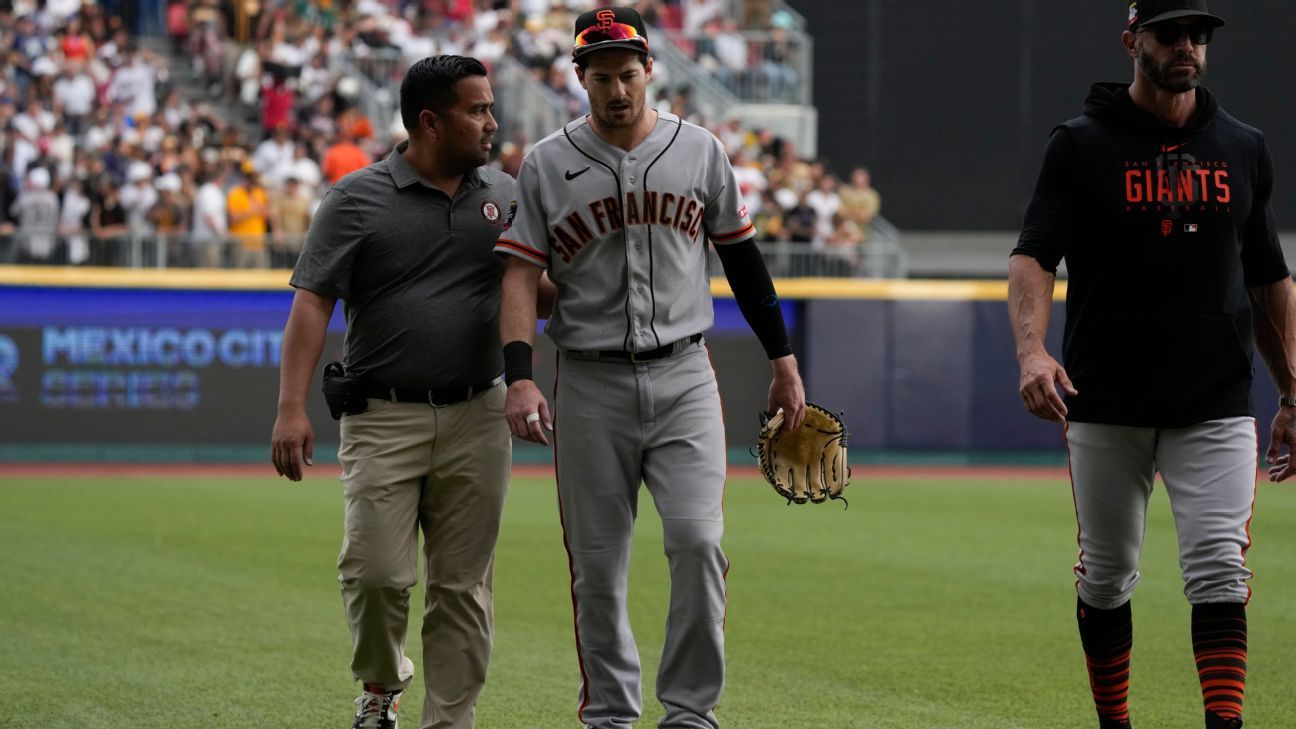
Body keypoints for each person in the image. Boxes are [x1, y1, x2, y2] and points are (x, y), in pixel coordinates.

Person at [495, 7, 806, 728]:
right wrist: (518, 374)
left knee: (698, 541)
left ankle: (691, 711)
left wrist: (783, 359)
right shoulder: (545, 162)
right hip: (589, 380)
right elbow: (517, 279)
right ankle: (609, 711)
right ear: (580, 77)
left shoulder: (698, 150)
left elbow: (743, 260)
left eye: (627, 73)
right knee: (597, 567)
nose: (616, 88)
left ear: (648, 72)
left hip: (683, 374)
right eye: (601, 75)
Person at [1007, 3, 1296, 729]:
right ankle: (1116, 722)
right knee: (1105, 579)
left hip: (1216, 398)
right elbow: (1034, 254)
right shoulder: (1080, 144)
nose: (1187, 47)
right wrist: (1032, 350)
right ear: (1132, 40)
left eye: (1199, 35)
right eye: (1170, 33)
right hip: (1104, 396)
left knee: (1220, 572)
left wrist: (1293, 388)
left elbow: (1268, 276)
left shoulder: (1243, 145)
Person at [270, 55, 521, 729]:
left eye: (490, 107)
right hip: (383, 414)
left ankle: (449, 721)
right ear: (431, 121)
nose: (492, 122)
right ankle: (382, 683)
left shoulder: (505, 193)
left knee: (463, 588)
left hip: (479, 411)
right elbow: (312, 304)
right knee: (376, 574)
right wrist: (291, 406)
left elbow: (533, 290)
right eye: (478, 109)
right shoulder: (356, 198)